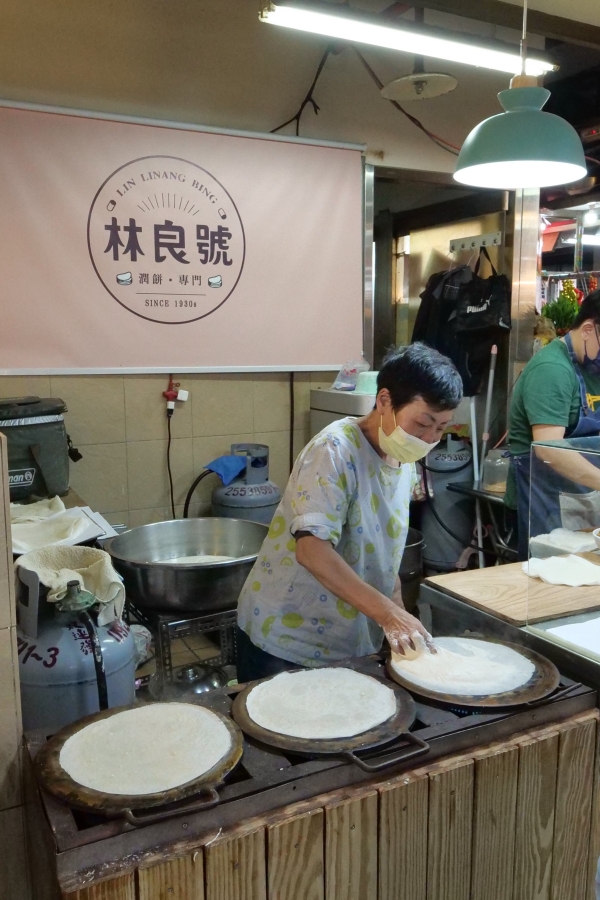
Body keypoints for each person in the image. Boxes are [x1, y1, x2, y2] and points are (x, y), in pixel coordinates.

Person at [236, 343, 463, 683]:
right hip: (287, 639)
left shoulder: (403, 463)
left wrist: (399, 616)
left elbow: (387, 558)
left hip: (347, 639)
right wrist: (389, 617)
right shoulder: (335, 450)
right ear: (384, 400)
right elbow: (311, 551)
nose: (429, 438)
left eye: (441, 428)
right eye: (422, 423)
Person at [507, 290, 600, 560]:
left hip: (585, 498)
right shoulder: (552, 370)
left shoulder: (593, 368)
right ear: (587, 329)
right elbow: (550, 450)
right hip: (544, 502)